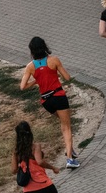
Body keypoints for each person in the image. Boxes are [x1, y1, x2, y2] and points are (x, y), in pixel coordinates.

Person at [20, 37, 80, 169]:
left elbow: (22, 87)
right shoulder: (53, 60)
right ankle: (70, 159)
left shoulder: (30, 67)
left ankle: (70, 149)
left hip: (46, 101)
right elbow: (67, 77)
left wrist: (36, 81)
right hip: (58, 96)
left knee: (64, 123)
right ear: (44, 47)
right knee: (67, 127)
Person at [11, 121, 60, 192]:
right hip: (43, 184)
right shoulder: (35, 147)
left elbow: (13, 170)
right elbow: (40, 162)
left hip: (29, 189)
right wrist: (53, 168)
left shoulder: (16, 152)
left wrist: (24, 167)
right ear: (29, 132)